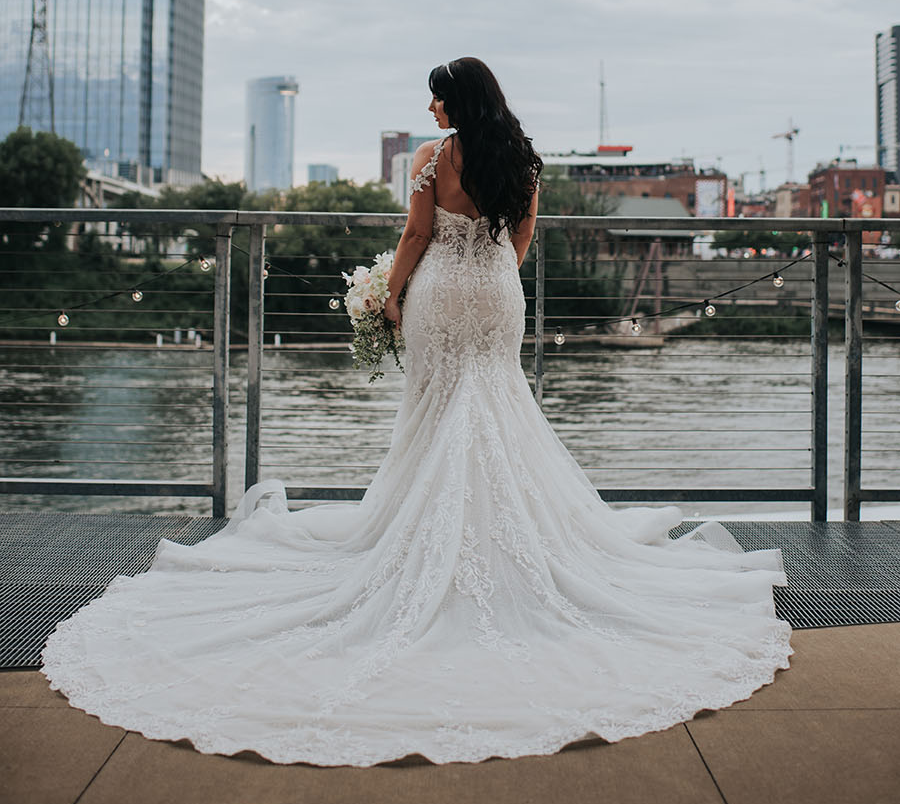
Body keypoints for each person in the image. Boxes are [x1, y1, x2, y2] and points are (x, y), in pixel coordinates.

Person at [42, 57, 791, 766]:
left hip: (439, 294)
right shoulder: (524, 162)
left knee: (438, 411)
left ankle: (429, 535)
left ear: (457, 104)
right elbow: (522, 239)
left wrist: (392, 294)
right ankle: (508, 535)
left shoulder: (437, 157)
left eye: (436, 96)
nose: (429, 106)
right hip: (498, 293)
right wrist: (492, 273)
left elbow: (415, 234)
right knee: (497, 404)